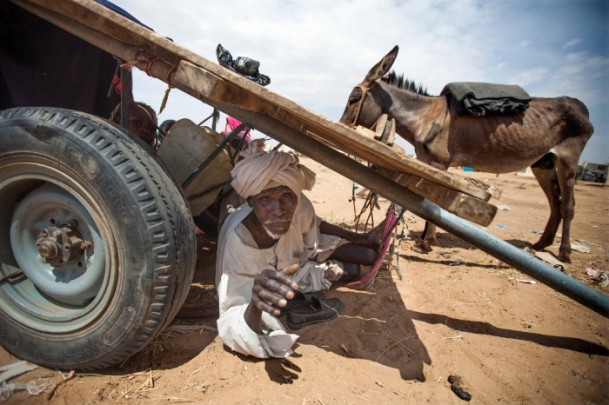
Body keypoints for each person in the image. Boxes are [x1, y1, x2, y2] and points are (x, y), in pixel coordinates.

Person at [215, 143, 383, 358]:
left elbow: (316, 224)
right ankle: (299, 300)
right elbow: (232, 321)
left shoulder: (298, 204)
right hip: (278, 278)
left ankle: (300, 297)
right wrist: (256, 305)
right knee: (350, 269)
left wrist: (356, 237)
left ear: (295, 195)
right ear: (250, 201)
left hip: (297, 260)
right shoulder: (239, 242)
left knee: (368, 256)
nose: (279, 211)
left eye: (286, 197)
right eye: (265, 200)